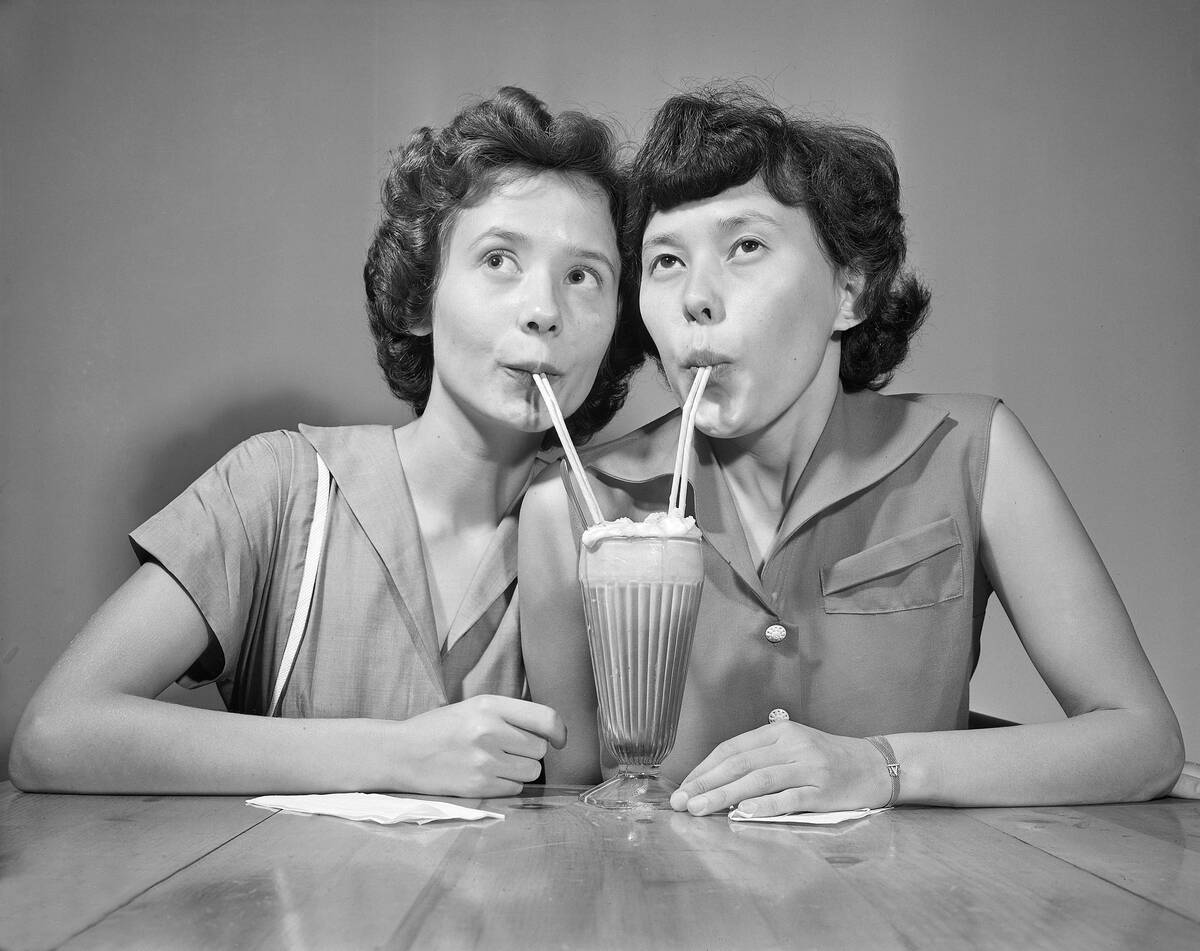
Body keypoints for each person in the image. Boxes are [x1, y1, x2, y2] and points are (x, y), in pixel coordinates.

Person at [519, 84, 1188, 816]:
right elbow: (570, 809)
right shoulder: (571, 506)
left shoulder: (973, 451)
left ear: (851, 290)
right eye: (666, 261)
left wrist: (883, 765)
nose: (696, 298)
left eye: (745, 246)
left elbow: (1142, 740)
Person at [9, 87, 643, 798]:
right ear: (420, 298)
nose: (544, 311)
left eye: (583, 276)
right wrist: (397, 754)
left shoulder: (628, 545)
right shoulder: (279, 487)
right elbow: (55, 734)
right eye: (499, 260)